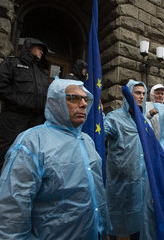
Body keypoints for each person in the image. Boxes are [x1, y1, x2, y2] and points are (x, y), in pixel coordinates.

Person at [0, 78, 111, 239]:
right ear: (55, 102)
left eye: (85, 99)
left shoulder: (87, 141)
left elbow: (97, 194)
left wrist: (103, 229)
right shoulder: (32, 141)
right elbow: (13, 206)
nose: (83, 104)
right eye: (73, 98)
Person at [104, 80, 153, 240]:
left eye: (143, 93)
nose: (141, 96)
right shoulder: (114, 118)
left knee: (138, 218)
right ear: (128, 95)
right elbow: (98, 137)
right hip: (119, 182)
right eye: (137, 93)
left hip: (140, 181)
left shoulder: (144, 120)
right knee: (114, 216)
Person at [0, 38, 50, 170]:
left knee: (31, 154)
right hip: (14, 118)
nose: (41, 52)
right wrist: (17, 101)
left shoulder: (42, 72)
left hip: (36, 120)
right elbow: (2, 85)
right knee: (6, 152)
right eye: (39, 48)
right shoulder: (12, 63)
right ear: (29, 47)